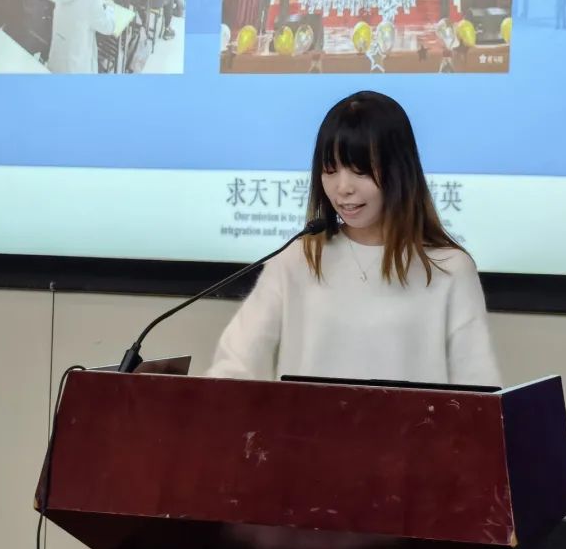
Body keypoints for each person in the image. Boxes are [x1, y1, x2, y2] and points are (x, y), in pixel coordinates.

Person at [207, 91, 501, 386]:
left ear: (399, 171)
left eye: (360, 171)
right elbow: (234, 367)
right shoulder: (297, 259)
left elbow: (479, 387)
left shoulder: (449, 268)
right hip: (307, 419)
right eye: (330, 170)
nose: (343, 188)